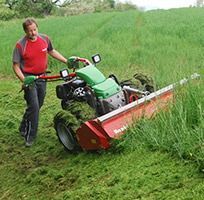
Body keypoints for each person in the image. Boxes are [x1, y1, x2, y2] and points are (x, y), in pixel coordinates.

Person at [13, 18, 67, 147]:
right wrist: (23, 80)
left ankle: (23, 126)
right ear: (25, 31)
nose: (33, 33)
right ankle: (30, 136)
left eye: (34, 29)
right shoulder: (20, 45)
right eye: (30, 31)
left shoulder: (45, 39)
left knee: (38, 104)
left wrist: (65, 61)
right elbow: (15, 65)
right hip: (29, 79)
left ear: (37, 27)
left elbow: (51, 51)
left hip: (42, 78)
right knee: (34, 107)